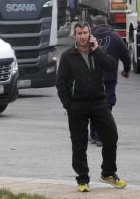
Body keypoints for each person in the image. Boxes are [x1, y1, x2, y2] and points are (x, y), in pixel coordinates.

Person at [56, 22, 128, 193]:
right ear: (74, 35)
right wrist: (68, 105)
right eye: (79, 33)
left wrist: (98, 50)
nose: (82, 36)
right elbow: (61, 83)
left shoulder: (97, 52)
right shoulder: (67, 56)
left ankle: (108, 173)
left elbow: (111, 66)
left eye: (85, 33)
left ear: (90, 34)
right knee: (79, 144)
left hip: (98, 102)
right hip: (77, 106)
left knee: (111, 136)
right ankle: (82, 179)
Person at [89, 15, 131, 146]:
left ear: (94, 25)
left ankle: (94, 135)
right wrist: (126, 70)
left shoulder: (89, 36)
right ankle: (102, 136)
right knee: (107, 105)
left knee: (93, 103)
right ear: (106, 24)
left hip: (92, 77)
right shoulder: (115, 36)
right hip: (110, 77)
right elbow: (125, 54)